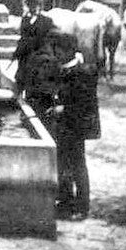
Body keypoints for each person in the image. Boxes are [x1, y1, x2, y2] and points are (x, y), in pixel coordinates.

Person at [50, 34, 100, 221]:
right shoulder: (65, 71)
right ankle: (65, 201)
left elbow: (85, 104)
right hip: (64, 126)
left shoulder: (82, 73)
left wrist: (64, 109)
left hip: (75, 127)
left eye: (58, 51)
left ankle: (81, 206)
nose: (56, 55)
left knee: (77, 165)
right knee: (63, 164)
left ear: (66, 52)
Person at [13, 0, 56, 95]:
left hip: (40, 55)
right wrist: (17, 52)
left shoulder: (46, 21)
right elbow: (23, 37)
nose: (32, 7)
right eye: (30, 5)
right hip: (26, 55)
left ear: (39, 5)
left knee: (37, 81)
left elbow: (49, 39)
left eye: (34, 4)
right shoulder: (25, 20)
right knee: (21, 78)